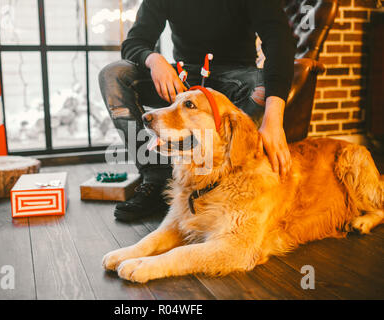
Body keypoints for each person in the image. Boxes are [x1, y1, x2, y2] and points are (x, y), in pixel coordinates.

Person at [99, 0, 296, 222]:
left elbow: (280, 41)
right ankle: (157, 178)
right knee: (113, 75)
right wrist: (153, 59)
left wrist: (273, 121)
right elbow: (135, 42)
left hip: (236, 78)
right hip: (185, 80)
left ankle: (229, 178)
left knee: (261, 85)